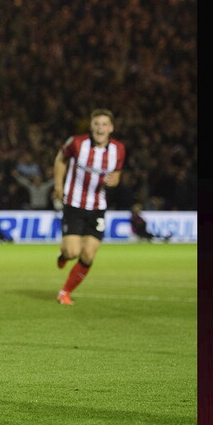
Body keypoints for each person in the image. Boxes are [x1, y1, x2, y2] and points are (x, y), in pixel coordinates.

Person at [52, 109, 125, 305]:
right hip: (74, 204)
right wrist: (58, 185)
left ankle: (65, 292)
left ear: (111, 128)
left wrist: (114, 181)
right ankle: (64, 253)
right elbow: (61, 159)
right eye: (96, 124)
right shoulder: (77, 143)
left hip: (98, 207)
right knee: (73, 252)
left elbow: (117, 174)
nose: (100, 128)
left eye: (104, 125)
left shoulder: (118, 149)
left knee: (88, 254)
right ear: (91, 126)